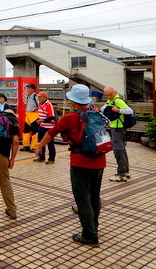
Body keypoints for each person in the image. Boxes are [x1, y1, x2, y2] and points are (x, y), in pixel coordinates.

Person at [35, 84, 105, 247]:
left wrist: (39, 147)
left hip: (80, 161)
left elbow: (51, 133)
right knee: (95, 195)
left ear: (73, 101)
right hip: (99, 160)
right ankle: (93, 226)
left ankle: (89, 235)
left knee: (82, 198)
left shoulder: (71, 117)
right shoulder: (96, 113)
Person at [101, 86, 134, 182]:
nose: (108, 97)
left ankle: (121, 174)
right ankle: (125, 171)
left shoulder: (118, 100)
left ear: (114, 92)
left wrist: (118, 110)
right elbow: (103, 108)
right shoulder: (111, 101)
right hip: (116, 128)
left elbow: (129, 111)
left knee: (118, 150)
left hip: (118, 128)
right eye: (107, 95)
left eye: (110, 94)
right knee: (122, 150)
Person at [33, 91, 56, 164]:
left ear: (45, 97)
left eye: (40, 97)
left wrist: (43, 120)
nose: (38, 98)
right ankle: (41, 157)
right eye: (38, 97)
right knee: (40, 142)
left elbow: (52, 117)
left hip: (49, 127)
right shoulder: (40, 104)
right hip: (42, 126)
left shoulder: (48, 105)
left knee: (50, 143)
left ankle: (52, 158)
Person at [21, 84, 39, 152]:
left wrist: (34, 109)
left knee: (35, 132)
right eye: (26, 88)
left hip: (34, 116)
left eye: (29, 89)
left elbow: (40, 105)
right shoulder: (28, 96)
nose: (27, 90)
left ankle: (34, 147)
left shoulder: (36, 96)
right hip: (28, 115)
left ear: (33, 89)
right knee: (25, 131)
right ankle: (26, 145)